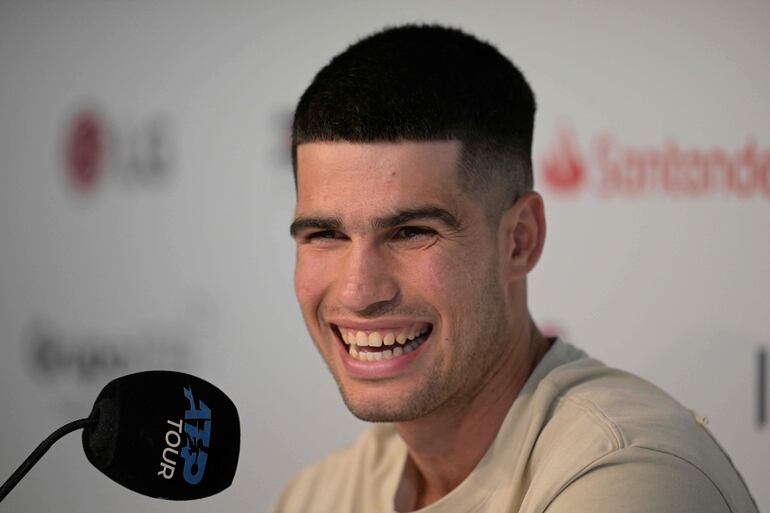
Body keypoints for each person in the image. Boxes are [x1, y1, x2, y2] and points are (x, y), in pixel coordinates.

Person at [271, 24, 758, 513]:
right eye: (325, 235)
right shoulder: (316, 496)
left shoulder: (630, 475)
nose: (358, 291)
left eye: (411, 232)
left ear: (520, 240)